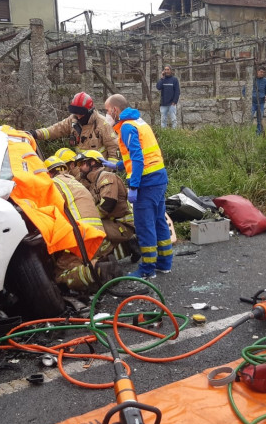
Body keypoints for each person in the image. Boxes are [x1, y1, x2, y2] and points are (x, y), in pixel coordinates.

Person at [104, 94, 172, 279]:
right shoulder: (139, 122)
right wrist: (117, 165)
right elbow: (139, 155)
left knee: (144, 225)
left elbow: (138, 158)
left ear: (115, 110)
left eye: (106, 111)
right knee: (158, 221)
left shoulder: (126, 127)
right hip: (158, 177)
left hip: (146, 182)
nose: (106, 115)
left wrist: (133, 186)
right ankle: (165, 263)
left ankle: (147, 269)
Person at [43, 156, 121, 293]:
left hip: (81, 235)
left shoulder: (54, 184)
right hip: (96, 235)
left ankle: (98, 270)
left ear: (49, 172)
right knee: (81, 262)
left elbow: (48, 213)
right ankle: (97, 266)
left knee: (59, 273)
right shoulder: (74, 182)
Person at [76, 150, 140, 262]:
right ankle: (129, 246)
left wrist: (87, 219)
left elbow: (108, 204)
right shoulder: (93, 182)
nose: (79, 168)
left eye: (82, 164)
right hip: (112, 223)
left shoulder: (106, 177)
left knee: (92, 234)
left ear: (92, 163)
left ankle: (105, 263)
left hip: (123, 225)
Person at [29, 92, 120, 162]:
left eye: (81, 114)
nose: (78, 117)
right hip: (80, 165)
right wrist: (35, 133)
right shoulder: (73, 119)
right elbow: (55, 129)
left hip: (97, 167)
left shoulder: (102, 124)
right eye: (76, 114)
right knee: (62, 153)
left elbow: (113, 148)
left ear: (89, 111)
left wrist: (108, 171)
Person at [250, 66, 266, 136]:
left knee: (259, 119)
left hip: (261, 103)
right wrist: (247, 99)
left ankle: (258, 134)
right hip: (252, 103)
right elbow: (244, 90)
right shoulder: (252, 79)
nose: (262, 73)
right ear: (257, 71)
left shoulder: (265, 81)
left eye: (263, 72)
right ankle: (247, 133)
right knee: (249, 117)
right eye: (261, 72)